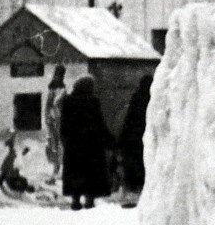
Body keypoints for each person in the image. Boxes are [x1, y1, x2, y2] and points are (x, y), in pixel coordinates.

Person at [59, 76, 113, 210]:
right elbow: (99, 124)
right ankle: (89, 200)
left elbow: (64, 125)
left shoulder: (68, 101)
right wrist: (109, 141)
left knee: (75, 173)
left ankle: (75, 200)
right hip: (91, 146)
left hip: (74, 146)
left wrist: (66, 140)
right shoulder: (92, 101)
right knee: (90, 174)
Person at [119, 74, 152, 205]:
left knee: (133, 164)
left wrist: (122, 137)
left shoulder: (136, 97)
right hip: (145, 137)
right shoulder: (152, 99)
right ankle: (142, 190)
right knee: (144, 165)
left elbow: (129, 118)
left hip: (133, 138)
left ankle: (132, 191)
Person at [44, 64, 68, 174]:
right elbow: (48, 106)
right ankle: (56, 168)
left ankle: (62, 168)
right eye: (57, 75)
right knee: (53, 144)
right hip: (53, 120)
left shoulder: (64, 91)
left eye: (60, 75)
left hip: (62, 120)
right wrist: (48, 118)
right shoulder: (52, 91)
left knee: (61, 144)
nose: (58, 77)